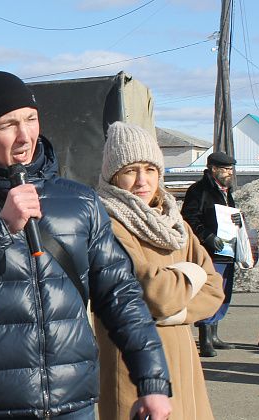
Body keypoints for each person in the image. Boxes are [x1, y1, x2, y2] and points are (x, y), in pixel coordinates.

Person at [0, 71, 172, 420]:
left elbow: (120, 295)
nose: (24, 135)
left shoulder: (80, 202)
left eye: (30, 119)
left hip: (72, 403)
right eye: (7, 125)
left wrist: (152, 381)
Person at [96, 122, 224, 420]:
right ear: (114, 175)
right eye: (130, 170)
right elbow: (157, 295)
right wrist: (193, 274)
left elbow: (215, 289)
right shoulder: (108, 223)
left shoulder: (175, 223)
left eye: (150, 169)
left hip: (183, 356)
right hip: (132, 363)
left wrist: (175, 308)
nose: (142, 180)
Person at [181, 151, 240, 357]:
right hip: (209, 252)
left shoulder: (226, 191)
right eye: (225, 169)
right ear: (213, 169)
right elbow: (189, 218)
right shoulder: (199, 191)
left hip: (227, 250)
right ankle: (205, 337)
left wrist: (237, 221)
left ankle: (214, 333)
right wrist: (207, 236)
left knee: (223, 292)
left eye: (231, 169)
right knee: (208, 292)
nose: (229, 173)